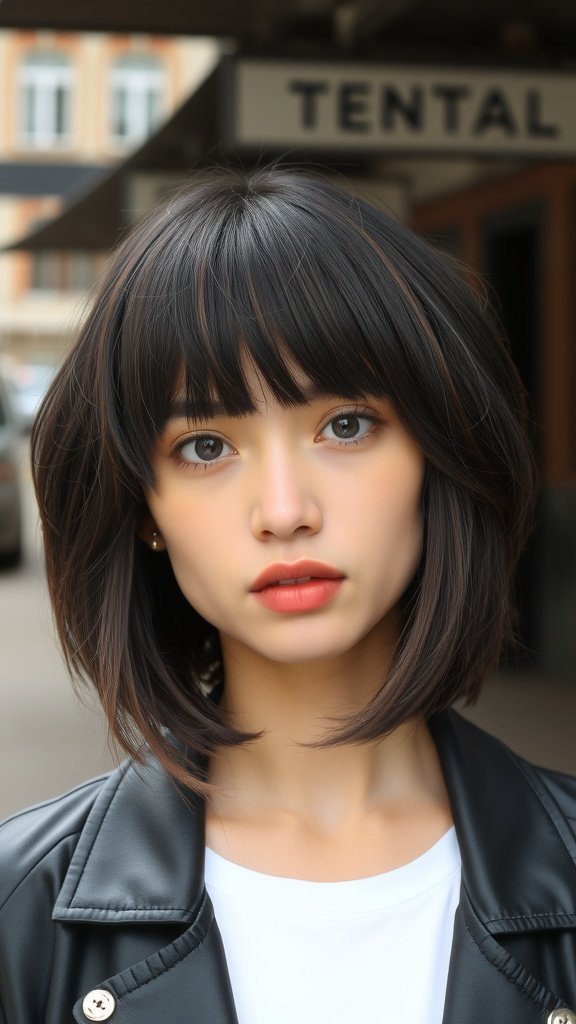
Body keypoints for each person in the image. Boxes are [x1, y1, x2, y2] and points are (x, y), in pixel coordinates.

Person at [0, 166, 575, 1024]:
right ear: (144, 510)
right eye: (204, 446)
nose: (283, 511)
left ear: (435, 457)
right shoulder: (22, 908)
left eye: (344, 425)